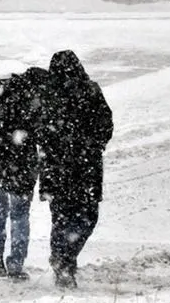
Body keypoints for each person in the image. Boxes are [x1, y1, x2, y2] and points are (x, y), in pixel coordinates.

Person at [38, 50, 114, 289]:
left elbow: (40, 130)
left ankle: (62, 259)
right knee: (87, 216)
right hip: (85, 166)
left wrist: (54, 147)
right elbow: (106, 123)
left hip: (58, 167)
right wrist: (92, 144)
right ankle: (65, 259)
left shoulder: (48, 94)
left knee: (61, 217)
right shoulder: (90, 91)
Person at [0, 66, 50, 281]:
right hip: (22, 162)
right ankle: (16, 264)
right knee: (19, 215)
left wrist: (2, 127)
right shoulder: (37, 98)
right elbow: (42, 130)